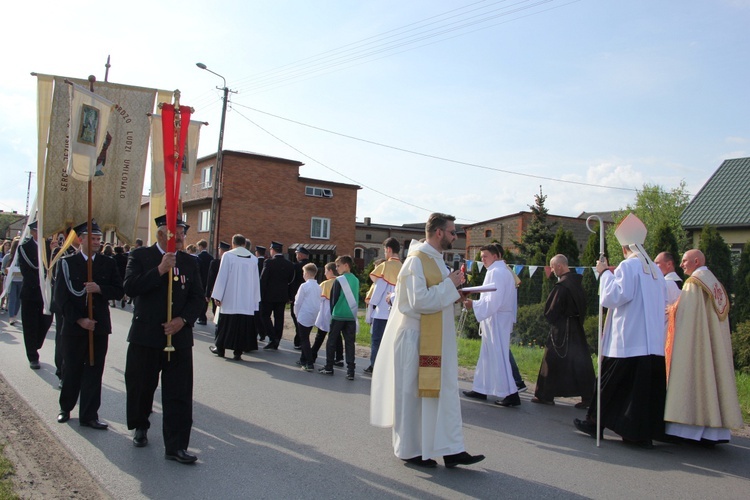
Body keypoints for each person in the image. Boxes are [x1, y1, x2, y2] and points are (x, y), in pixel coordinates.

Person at [371, 213, 485, 468]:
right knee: (412, 396)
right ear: (438, 233)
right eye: (452, 232)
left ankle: (451, 448)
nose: (455, 236)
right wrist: (450, 285)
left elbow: (439, 295)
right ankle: (410, 450)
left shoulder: (437, 261)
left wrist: (455, 289)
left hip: (437, 339)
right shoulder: (415, 261)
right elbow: (418, 301)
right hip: (416, 339)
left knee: (443, 394)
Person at [573, 213, 668, 449]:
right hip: (650, 343)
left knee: (609, 384)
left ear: (625, 248)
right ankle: (638, 433)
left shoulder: (629, 265)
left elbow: (613, 297)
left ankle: (595, 422)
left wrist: (604, 273)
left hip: (627, 340)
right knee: (640, 391)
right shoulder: (655, 271)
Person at [124, 214, 204, 464]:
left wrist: (183, 320)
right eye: (175, 231)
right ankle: (140, 426)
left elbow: (198, 298)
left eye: (182, 232)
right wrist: (160, 270)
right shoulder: (140, 257)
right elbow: (130, 287)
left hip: (178, 338)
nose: (180, 236)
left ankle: (176, 446)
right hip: (146, 335)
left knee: (179, 393)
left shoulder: (190, 262)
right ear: (161, 233)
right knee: (141, 386)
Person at [663, 249, 743, 445]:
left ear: (696, 261)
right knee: (712, 379)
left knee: (694, 377)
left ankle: (686, 430)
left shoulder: (693, 284)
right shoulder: (713, 281)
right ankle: (714, 433)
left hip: (696, 345)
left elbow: (687, 316)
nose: (681, 264)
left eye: (684, 260)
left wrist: (671, 310)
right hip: (712, 345)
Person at [54, 221, 123, 429]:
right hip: (75, 328)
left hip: (99, 326)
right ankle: (65, 408)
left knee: (94, 370)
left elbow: (119, 291)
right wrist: (80, 320)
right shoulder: (66, 263)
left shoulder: (108, 263)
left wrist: (100, 288)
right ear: (81, 239)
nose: (96, 242)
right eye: (92, 239)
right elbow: (61, 299)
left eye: (98, 239)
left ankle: (89, 415)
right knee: (72, 369)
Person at [532, 254, 595, 407]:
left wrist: (552, 320)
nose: (552, 270)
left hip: (561, 330)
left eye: (552, 267)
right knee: (579, 362)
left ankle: (545, 395)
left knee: (552, 360)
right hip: (576, 328)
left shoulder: (563, 286)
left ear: (560, 266)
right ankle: (588, 397)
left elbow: (551, 311)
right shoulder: (577, 284)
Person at [461, 244, 519, 407]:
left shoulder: (497, 272)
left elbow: (494, 300)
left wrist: (474, 304)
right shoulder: (499, 271)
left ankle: (511, 393)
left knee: (498, 355)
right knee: (487, 355)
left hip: (497, 319)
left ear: (496, 256)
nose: (483, 259)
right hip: (495, 318)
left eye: (485, 256)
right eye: (482, 256)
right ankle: (481, 388)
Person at [209, 234, 261, 361]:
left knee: (224, 324)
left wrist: (217, 296)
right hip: (246, 300)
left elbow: (222, 276)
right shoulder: (254, 259)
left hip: (229, 298)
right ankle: (238, 352)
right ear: (244, 244)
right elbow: (255, 281)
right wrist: (255, 299)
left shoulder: (228, 256)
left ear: (233, 244)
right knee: (242, 327)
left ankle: (220, 349)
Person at [18, 221, 53, 369]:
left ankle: (36, 344)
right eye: (39, 231)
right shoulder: (24, 248)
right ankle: (33, 356)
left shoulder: (51, 247)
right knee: (30, 325)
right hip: (31, 293)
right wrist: (42, 285)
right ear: (33, 232)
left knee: (46, 322)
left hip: (47, 294)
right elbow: (27, 272)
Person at [319, 256, 360, 380]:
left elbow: (333, 299)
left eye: (338, 265)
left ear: (346, 265)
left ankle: (329, 367)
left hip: (338, 315)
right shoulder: (356, 280)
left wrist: (331, 313)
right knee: (349, 343)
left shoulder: (339, 280)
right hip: (351, 316)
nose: (336, 268)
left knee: (331, 342)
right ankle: (351, 371)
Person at [365, 238, 402, 375]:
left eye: (385, 250)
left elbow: (379, 287)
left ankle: (374, 366)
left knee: (377, 341)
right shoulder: (404, 267)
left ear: (389, 249)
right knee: (391, 342)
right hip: (396, 312)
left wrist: (372, 303)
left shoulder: (385, 266)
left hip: (381, 312)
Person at [260, 241, 294, 350]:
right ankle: (277, 339)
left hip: (268, 296)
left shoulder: (268, 262)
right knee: (279, 318)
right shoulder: (289, 264)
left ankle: (272, 337)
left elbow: (263, 280)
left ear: (272, 250)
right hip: (282, 296)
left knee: (265, 316)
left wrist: (260, 294)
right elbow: (290, 280)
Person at [311, 262, 344, 366]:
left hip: (326, 313)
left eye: (325, 271)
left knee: (320, 335)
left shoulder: (325, 284)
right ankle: (339, 358)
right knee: (337, 336)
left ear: (330, 271)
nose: (325, 273)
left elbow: (319, 298)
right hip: (337, 313)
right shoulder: (342, 282)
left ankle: (312, 355)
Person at [293, 263, 320, 371]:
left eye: (304, 273)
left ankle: (309, 363)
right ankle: (302, 359)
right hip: (314, 314)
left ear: (308, 274)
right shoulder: (318, 286)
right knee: (306, 336)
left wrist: (296, 313)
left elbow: (298, 302)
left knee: (304, 339)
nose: (303, 275)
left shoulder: (304, 286)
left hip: (304, 314)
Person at [290, 246, 311, 349]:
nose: (296, 256)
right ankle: (301, 340)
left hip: (297, 295)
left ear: (301, 255)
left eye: (297, 254)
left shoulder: (296, 266)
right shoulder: (312, 265)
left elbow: (292, 282)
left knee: (297, 317)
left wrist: (289, 296)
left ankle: (299, 340)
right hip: (309, 297)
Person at [2, 238, 22, 326]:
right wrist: (6, 271)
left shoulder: (22, 255)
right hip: (11, 281)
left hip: (21, 280)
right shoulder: (8, 256)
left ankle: (14, 315)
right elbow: (3, 268)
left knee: (19, 299)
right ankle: (11, 317)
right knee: (12, 299)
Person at [195, 239, 213, 325]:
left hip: (200, 280)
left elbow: (197, 270)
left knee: (200, 299)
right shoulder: (211, 257)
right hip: (208, 280)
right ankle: (203, 316)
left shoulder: (199, 257)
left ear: (201, 247)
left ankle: (201, 317)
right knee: (206, 299)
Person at [254, 245, 267, 341]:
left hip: (256, 291)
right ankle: (262, 332)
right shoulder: (266, 262)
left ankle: (258, 332)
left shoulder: (255, 262)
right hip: (265, 292)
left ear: (257, 252)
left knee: (256, 314)